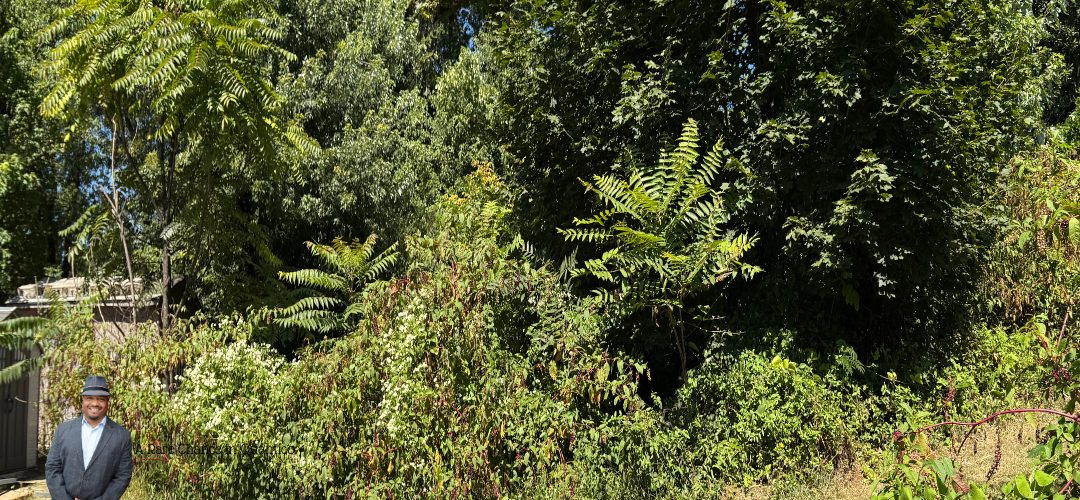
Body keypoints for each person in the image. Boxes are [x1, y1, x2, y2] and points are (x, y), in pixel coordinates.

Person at [45, 375, 133, 500]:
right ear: (82, 400)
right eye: (89, 398)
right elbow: (52, 468)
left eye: (101, 399)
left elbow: (123, 476)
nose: (95, 403)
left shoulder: (122, 436)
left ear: (108, 401)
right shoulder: (63, 430)